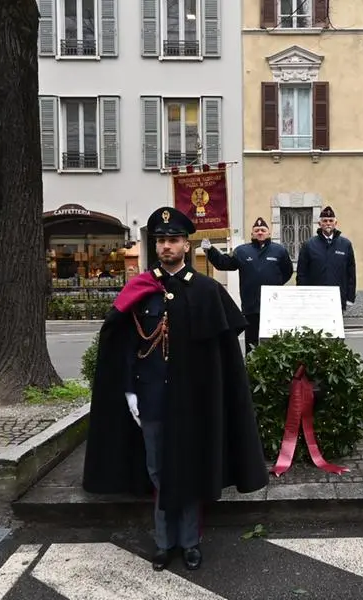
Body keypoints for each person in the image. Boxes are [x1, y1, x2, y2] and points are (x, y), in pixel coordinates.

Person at [82, 206, 269, 572]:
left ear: (187, 245)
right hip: (151, 398)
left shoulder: (205, 291)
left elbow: (222, 355)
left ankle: (190, 541)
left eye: (173, 240)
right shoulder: (142, 289)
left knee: (190, 467)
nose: (166, 247)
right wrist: (129, 391)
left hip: (194, 401)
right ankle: (164, 542)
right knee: (158, 470)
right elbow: (123, 344)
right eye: (161, 241)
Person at [201, 217, 293, 352]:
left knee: (274, 341)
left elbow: (287, 272)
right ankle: (252, 369)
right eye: (257, 230)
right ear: (252, 234)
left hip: (273, 305)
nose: (260, 232)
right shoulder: (242, 251)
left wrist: (276, 285)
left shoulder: (279, 250)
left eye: (263, 230)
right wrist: (211, 251)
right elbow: (224, 263)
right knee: (252, 343)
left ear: (269, 233)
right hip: (251, 305)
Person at [296, 206, 357, 312]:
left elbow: (351, 273)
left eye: (330, 220)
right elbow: (302, 274)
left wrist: (350, 297)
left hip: (337, 298)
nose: (328, 223)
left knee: (335, 328)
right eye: (325, 221)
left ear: (335, 223)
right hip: (315, 300)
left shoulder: (345, 244)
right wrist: (303, 296)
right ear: (320, 224)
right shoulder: (309, 245)